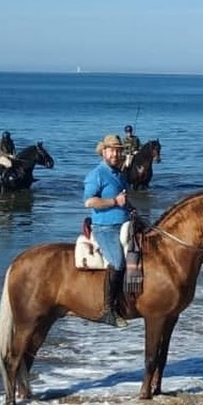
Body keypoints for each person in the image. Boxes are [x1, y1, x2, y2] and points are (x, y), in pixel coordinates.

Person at [83, 134, 131, 328]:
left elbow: (124, 200)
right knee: (118, 262)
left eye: (118, 150)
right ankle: (108, 310)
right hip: (104, 227)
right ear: (103, 152)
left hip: (125, 223)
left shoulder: (120, 174)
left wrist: (130, 208)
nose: (116, 153)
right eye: (112, 150)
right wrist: (114, 202)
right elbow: (89, 201)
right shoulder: (97, 174)